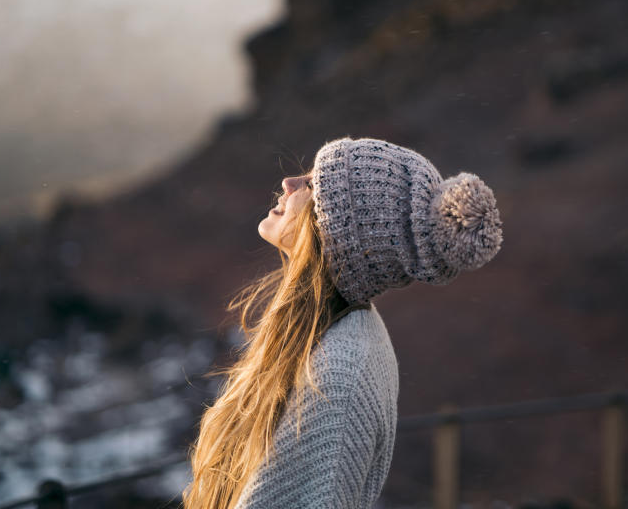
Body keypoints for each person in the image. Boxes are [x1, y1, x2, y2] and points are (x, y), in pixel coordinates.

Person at [183, 136, 503, 508]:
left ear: (336, 233)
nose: (289, 185)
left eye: (312, 184)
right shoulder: (330, 334)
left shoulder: (339, 374)